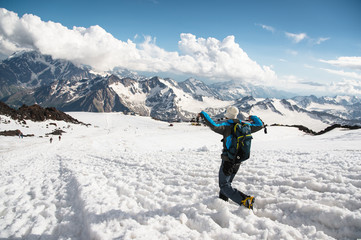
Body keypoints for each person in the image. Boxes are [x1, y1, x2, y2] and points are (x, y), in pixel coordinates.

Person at [197, 106, 263, 209]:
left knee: (224, 185)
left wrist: (203, 114)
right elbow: (259, 125)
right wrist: (253, 117)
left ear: (227, 115)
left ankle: (245, 200)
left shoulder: (227, 126)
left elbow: (214, 126)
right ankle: (222, 202)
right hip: (238, 160)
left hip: (228, 160)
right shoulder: (245, 125)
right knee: (227, 183)